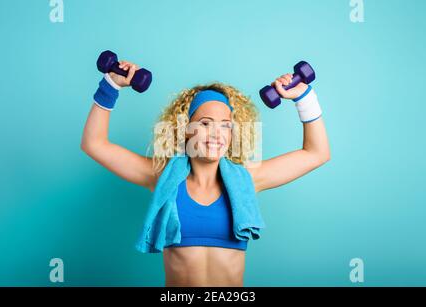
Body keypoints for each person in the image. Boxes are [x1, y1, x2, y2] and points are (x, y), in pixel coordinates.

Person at [81, 59, 330, 286]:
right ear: (186, 129)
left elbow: (316, 153)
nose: (216, 133)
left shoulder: (248, 179)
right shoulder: (162, 177)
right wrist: (111, 84)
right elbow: (95, 144)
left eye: (225, 126)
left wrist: (303, 97)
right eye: (205, 123)